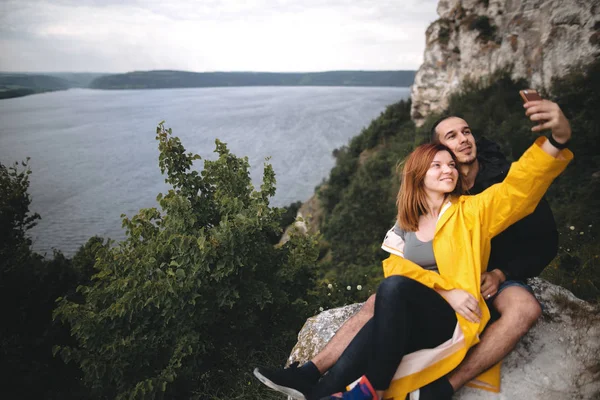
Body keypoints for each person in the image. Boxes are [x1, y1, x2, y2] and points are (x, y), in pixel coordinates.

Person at [254, 98, 571, 399]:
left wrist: (556, 138)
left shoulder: (472, 210)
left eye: (450, 165)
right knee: (384, 302)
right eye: (437, 165)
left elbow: (520, 186)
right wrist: (445, 291)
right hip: (430, 307)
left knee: (391, 289)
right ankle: (318, 389)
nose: (448, 169)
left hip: (457, 317)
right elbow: (397, 268)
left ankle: (371, 391)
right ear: (420, 174)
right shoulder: (406, 223)